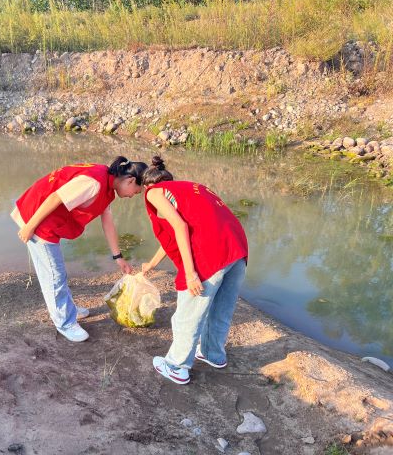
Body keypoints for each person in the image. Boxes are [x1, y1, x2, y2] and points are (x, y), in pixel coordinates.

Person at [12, 156, 148, 342]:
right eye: (136, 191)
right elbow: (55, 197)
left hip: (47, 219)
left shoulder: (108, 184)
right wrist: (30, 226)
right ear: (130, 180)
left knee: (57, 272)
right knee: (53, 274)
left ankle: (68, 310)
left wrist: (118, 257)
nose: (133, 196)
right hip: (37, 218)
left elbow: (107, 220)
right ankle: (65, 323)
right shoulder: (94, 182)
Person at [141, 156, 248, 384]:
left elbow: (179, 227)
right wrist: (152, 264)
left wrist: (190, 274)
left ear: (148, 185)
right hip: (237, 249)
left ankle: (176, 366)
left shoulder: (153, 192)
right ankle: (214, 355)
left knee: (188, 314)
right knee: (221, 309)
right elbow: (178, 232)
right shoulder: (191, 188)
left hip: (212, 253)